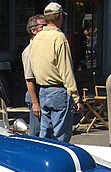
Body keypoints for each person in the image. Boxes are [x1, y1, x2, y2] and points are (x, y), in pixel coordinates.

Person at [29, 2, 83, 142]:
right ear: (60, 16)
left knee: (45, 135)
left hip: (42, 90)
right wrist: (76, 97)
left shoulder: (37, 38)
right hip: (58, 90)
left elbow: (32, 67)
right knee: (61, 137)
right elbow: (66, 70)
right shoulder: (59, 38)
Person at [21, 14, 47, 136]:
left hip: (47, 95)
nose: (47, 29)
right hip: (35, 95)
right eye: (43, 26)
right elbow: (29, 78)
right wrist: (35, 103)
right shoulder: (28, 51)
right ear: (33, 30)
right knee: (36, 132)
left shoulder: (45, 47)